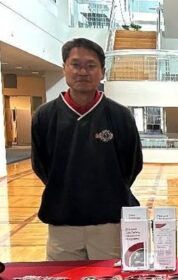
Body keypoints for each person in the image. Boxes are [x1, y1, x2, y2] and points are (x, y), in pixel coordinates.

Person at [31, 38, 143, 261]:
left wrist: (106, 192)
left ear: (102, 72)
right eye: (75, 64)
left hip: (108, 223)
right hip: (63, 224)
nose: (83, 71)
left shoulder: (120, 116)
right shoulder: (44, 116)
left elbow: (132, 165)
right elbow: (41, 166)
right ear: (64, 68)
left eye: (91, 66)